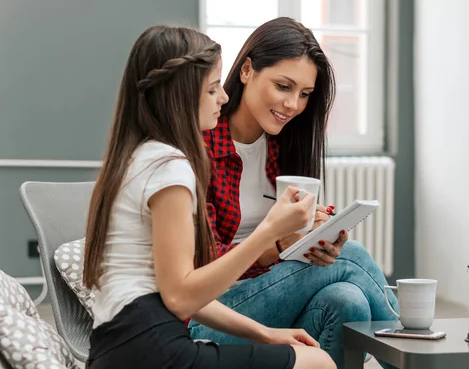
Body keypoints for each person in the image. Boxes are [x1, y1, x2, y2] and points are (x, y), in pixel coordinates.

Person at [82, 24, 336, 369]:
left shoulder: (142, 157)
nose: (224, 97)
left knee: (336, 313)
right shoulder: (171, 167)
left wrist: (265, 333)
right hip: (150, 345)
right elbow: (181, 297)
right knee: (318, 361)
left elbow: (179, 292)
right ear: (181, 94)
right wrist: (270, 232)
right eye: (213, 88)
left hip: (123, 345)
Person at [189, 17, 399, 368]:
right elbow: (202, 264)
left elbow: (291, 243)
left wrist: (320, 238)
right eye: (283, 86)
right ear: (246, 70)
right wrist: (276, 248)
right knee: (355, 259)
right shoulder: (200, 144)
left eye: (304, 94)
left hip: (273, 297)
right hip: (208, 315)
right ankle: (421, 358)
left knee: (347, 300)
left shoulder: (284, 146)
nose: (293, 105)